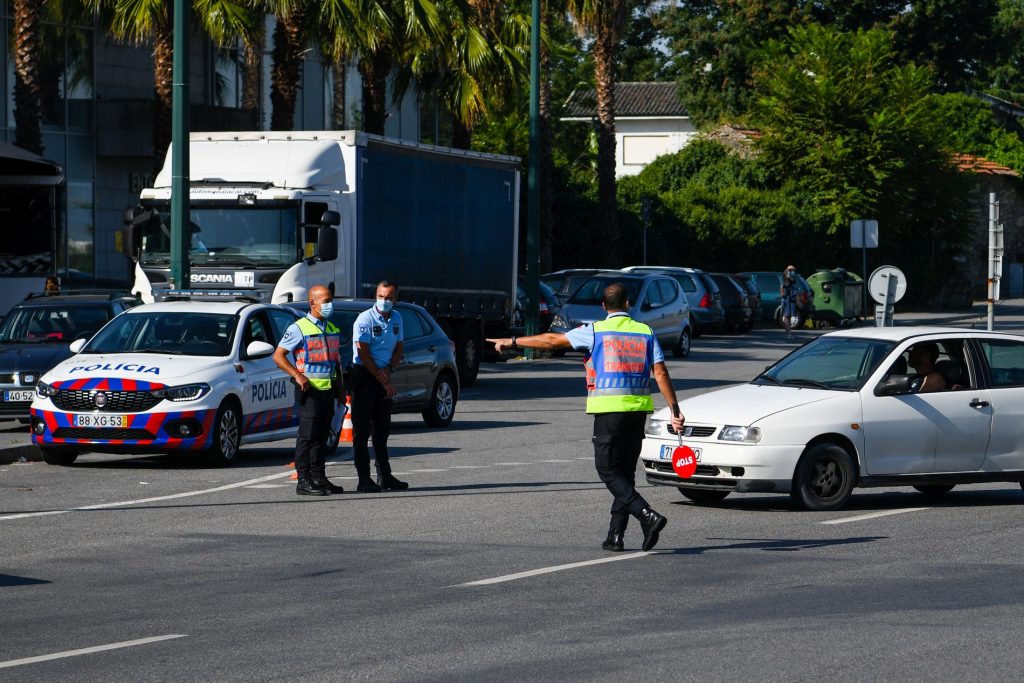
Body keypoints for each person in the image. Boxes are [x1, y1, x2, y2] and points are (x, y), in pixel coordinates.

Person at [487, 282, 685, 553]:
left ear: (603, 307)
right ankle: (615, 536)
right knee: (624, 474)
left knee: (606, 469)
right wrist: (675, 410)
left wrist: (511, 341)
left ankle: (647, 515)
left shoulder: (594, 331)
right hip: (638, 411)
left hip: (609, 411)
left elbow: (550, 340)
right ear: (627, 304)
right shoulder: (645, 332)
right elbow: (660, 373)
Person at [273, 284, 346, 496]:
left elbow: (336, 362)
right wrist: (297, 374)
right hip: (310, 391)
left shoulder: (331, 328)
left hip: (328, 389)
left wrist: (341, 388)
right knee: (307, 436)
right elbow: (278, 356)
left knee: (322, 436)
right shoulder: (299, 328)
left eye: (330, 300)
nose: (329, 304)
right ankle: (303, 480)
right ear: (312, 303)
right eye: (325, 301)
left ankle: (319, 478)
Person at [350, 280, 409, 493]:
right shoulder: (364, 319)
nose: (384, 301)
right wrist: (380, 376)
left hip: (384, 373)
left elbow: (399, 345)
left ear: (395, 299)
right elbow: (363, 352)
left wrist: (390, 368)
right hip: (365, 375)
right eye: (381, 296)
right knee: (361, 430)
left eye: (389, 298)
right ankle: (363, 478)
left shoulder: (397, 318)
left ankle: (385, 476)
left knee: (382, 430)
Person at [780, 265, 800, 338]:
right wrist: (788, 276)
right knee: (786, 316)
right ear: (787, 271)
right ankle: (788, 333)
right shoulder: (786, 279)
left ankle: (789, 333)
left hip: (792, 299)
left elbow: (796, 290)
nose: (793, 272)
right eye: (791, 270)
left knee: (790, 316)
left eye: (794, 270)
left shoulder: (793, 280)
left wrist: (798, 300)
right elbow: (783, 286)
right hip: (787, 299)